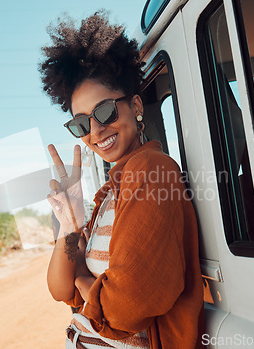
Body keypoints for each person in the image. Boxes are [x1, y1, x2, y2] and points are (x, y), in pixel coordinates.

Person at [39, 11, 204, 349]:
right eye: (81, 124)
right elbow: (59, 289)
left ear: (136, 106)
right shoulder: (109, 192)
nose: (96, 131)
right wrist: (68, 229)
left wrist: (84, 279)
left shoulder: (152, 170)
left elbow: (125, 307)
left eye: (104, 111)